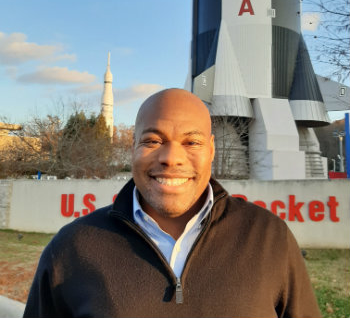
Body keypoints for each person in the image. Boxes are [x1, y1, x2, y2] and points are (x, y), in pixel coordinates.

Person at [23, 88, 321, 318]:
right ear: (133, 148)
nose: (171, 158)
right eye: (153, 141)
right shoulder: (72, 247)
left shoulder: (269, 237)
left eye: (192, 142)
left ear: (212, 150)